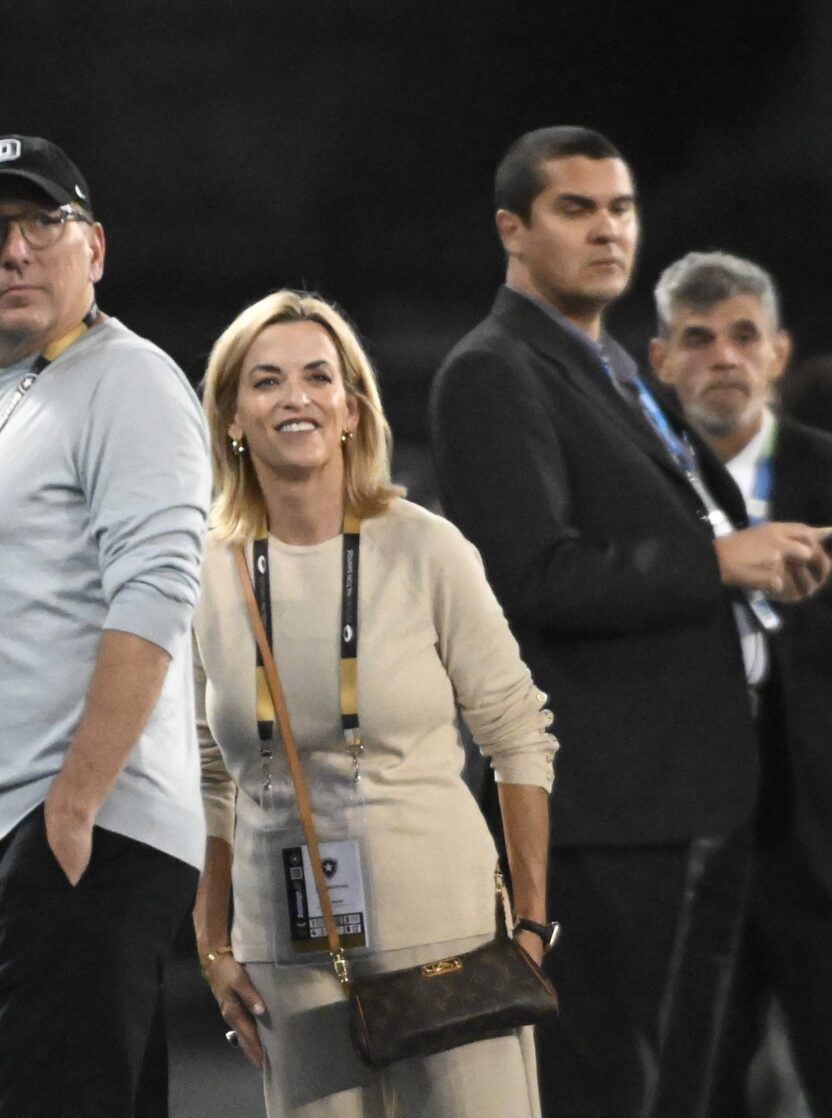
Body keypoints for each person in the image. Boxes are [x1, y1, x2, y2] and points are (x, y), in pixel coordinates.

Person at [428, 127, 831, 1117]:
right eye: (576, 208)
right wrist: (717, 561)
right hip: (600, 819)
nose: (608, 230)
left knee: (677, 1093)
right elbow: (532, 575)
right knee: (608, 1089)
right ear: (511, 230)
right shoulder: (493, 370)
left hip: (678, 810)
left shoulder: (608, 366)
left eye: (621, 208)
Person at [192, 289, 557, 1118]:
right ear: (233, 417)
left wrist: (531, 925)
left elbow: (517, 734)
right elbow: (211, 772)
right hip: (289, 945)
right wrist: (213, 940)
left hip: (447, 937)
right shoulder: (202, 572)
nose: (296, 398)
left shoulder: (423, 546)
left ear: (351, 410)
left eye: (319, 377)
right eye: (267, 381)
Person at [0, 134, 210, 1118]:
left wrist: (75, 802)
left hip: (80, 826)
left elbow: (158, 588)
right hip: (36, 827)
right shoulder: (12, 401)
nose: (16, 249)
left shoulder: (121, 378)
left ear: (94, 249)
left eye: (44, 222)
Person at [647, 251, 832, 1115]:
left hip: (818, 840)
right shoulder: (626, 488)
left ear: (780, 353)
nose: (723, 356)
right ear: (659, 359)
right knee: (693, 1090)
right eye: (698, 337)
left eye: (743, 336)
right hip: (683, 841)